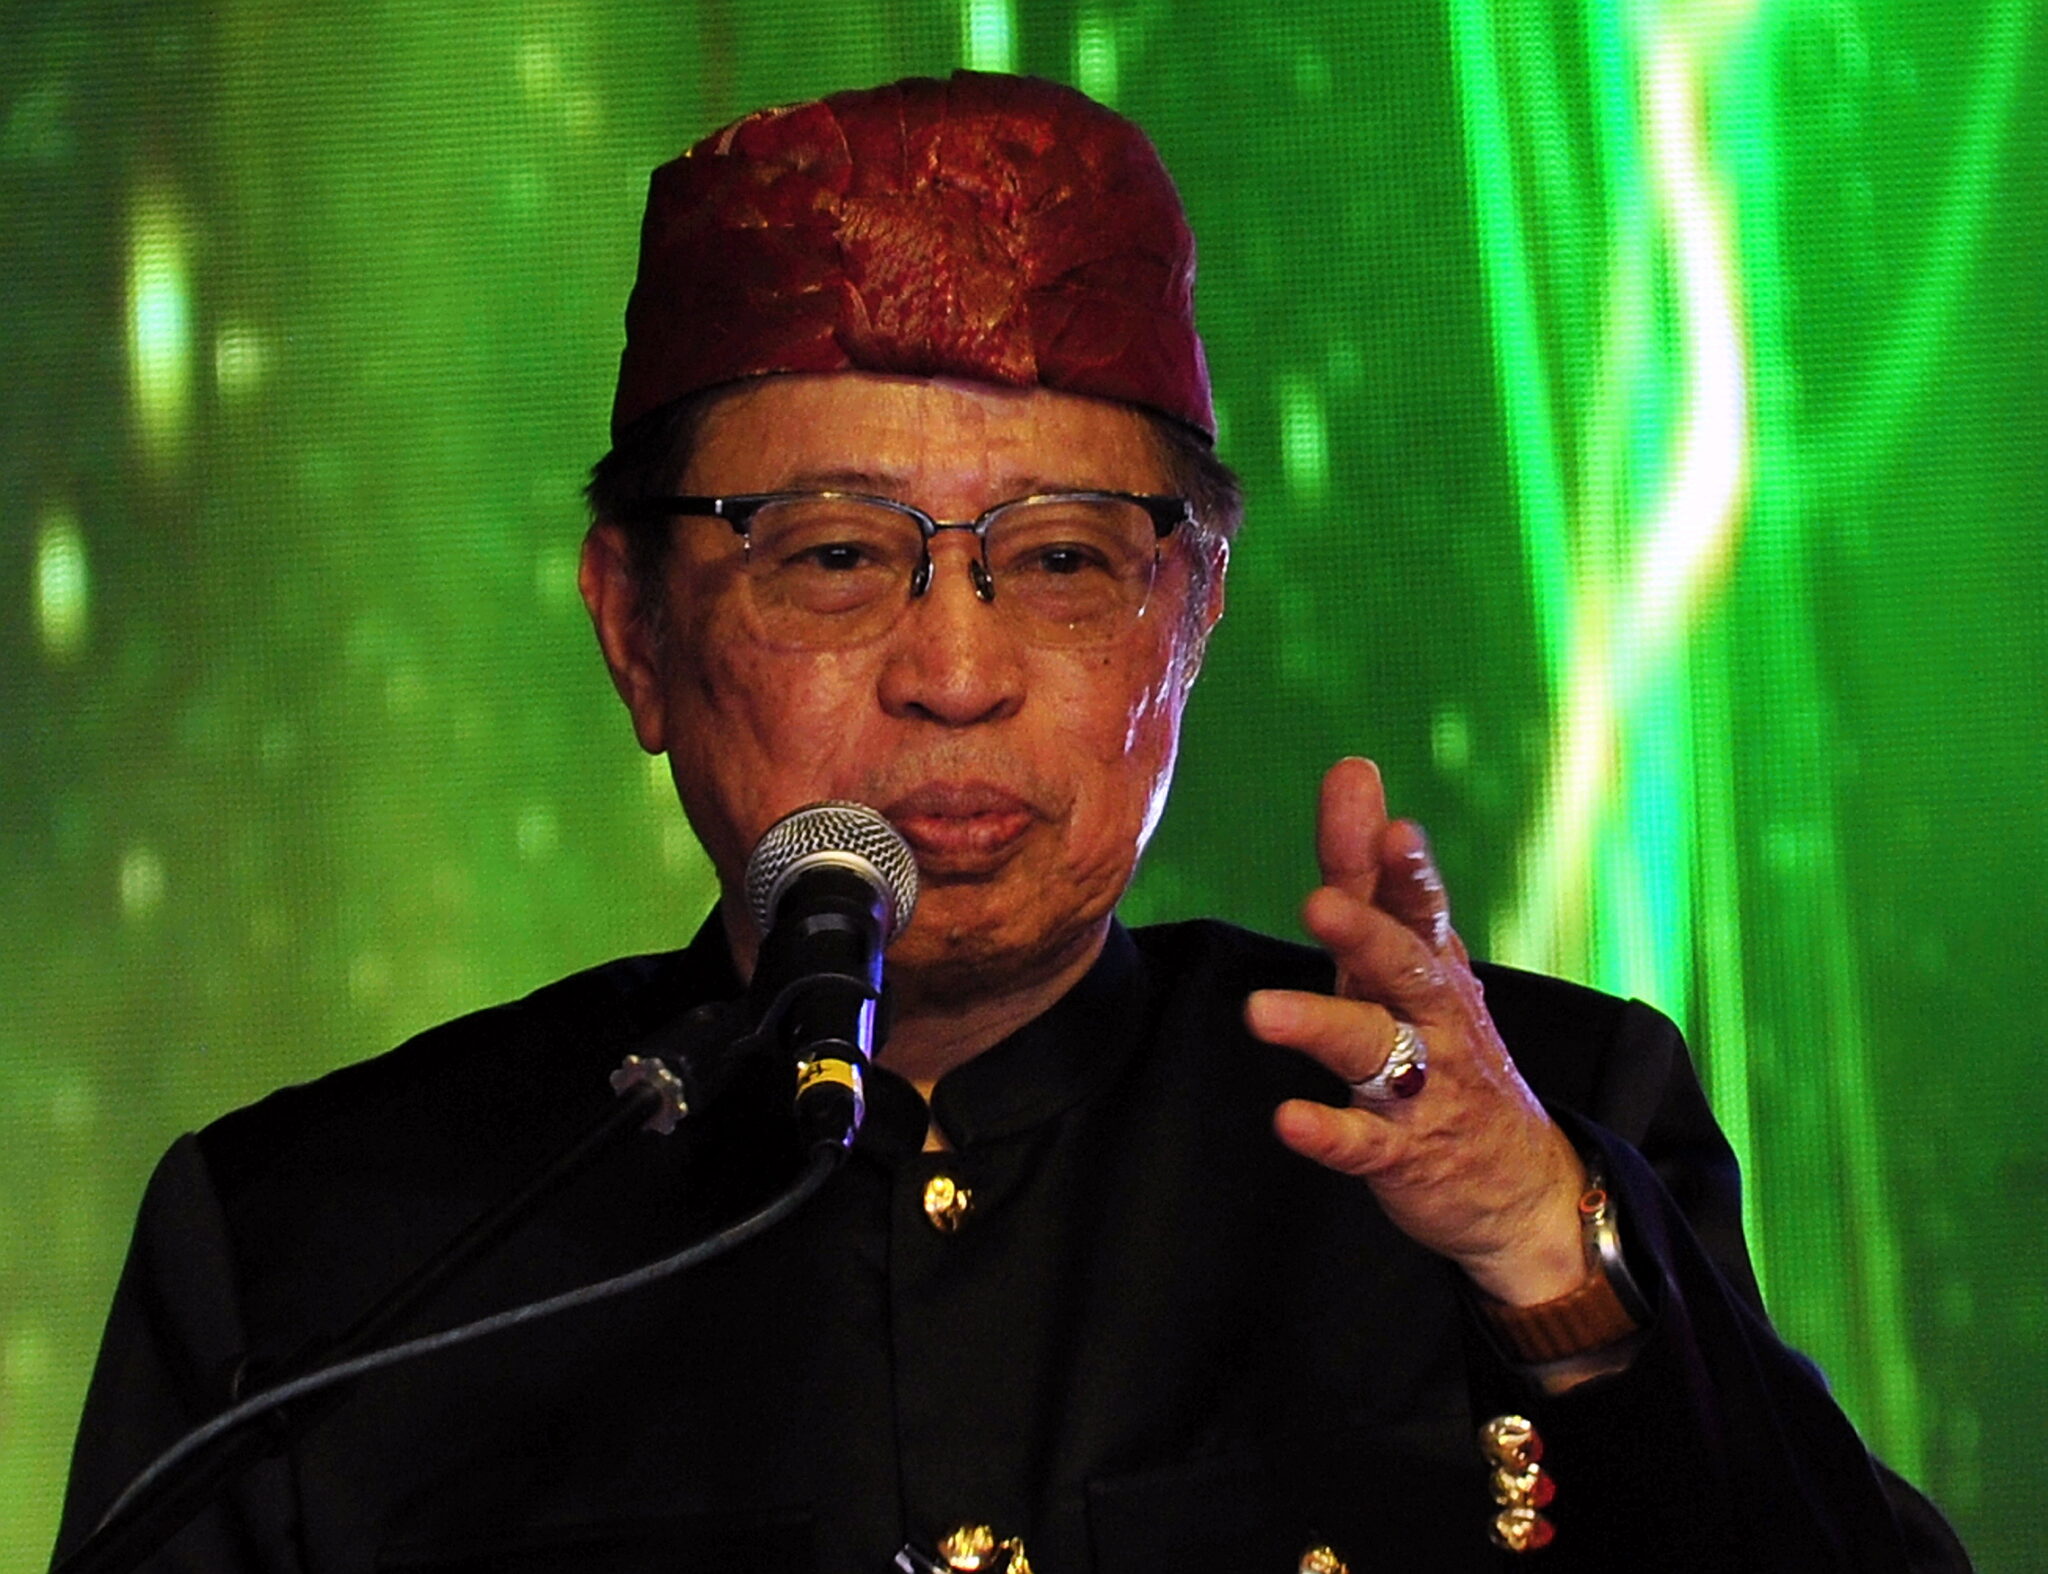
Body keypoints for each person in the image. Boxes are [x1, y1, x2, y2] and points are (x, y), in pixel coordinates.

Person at [56, 71, 1967, 1573]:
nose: (955, 672)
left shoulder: (1531, 1130)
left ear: (1192, 619)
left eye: (1061, 560)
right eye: (834, 556)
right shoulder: (323, 1251)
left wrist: (1549, 1259)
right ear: (634, 630)